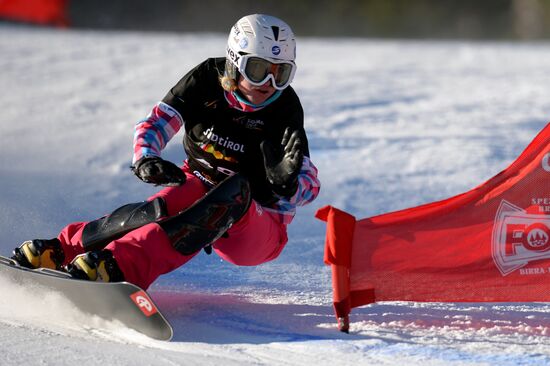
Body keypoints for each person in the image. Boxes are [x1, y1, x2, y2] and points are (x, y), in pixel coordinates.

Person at [11, 14, 320, 290]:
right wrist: (145, 156)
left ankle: (118, 265)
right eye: (257, 69)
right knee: (160, 206)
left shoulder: (284, 109)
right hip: (200, 182)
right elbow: (159, 121)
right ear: (234, 62)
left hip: (258, 225)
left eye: (280, 74)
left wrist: (289, 185)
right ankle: (62, 250)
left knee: (234, 192)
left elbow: (309, 182)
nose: (268, 84)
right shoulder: (206, 80)